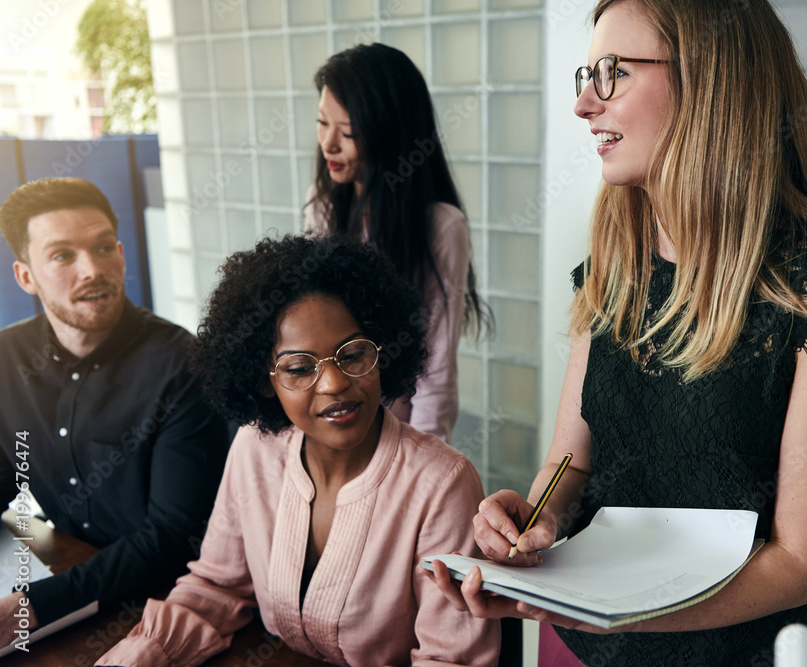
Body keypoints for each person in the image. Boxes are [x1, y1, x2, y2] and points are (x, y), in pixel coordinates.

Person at [427, 0, 807, 664]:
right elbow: (572, 464)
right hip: (573, 642)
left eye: (613, 72)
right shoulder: (612, 265)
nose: (584, 105)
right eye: (585, 75)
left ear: (711, 82)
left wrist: (612, 610)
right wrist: (537, 519)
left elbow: (802, 562)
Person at [96, 236, 500, 666]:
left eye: (353, 354)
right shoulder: (255, 447)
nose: (333, 384)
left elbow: (451, 659)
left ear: (382, 352)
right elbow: (216, 587)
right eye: (299, 368)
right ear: (263, 380)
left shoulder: (443, 484)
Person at [0, 177, 229, 641]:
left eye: (104, 248)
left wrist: (29, 607)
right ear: (26, 276)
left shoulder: (181, 364)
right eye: (63, 255)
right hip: (65, 569)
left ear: (122, 254)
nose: (92, 269)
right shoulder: (7, 358)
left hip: (166, 604)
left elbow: (172, 538)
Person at [304, 42, 490, 444]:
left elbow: (436, 369)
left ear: (389, 134)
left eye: (348, 132)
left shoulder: (441, 228)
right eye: (322, 123)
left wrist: (424, 463)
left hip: (396, 433)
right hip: (330, 422)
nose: (329, 143)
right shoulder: (322, 210)